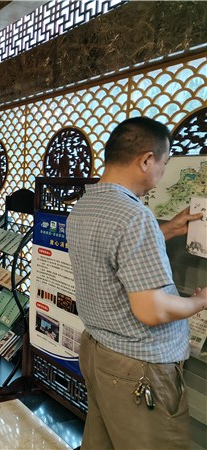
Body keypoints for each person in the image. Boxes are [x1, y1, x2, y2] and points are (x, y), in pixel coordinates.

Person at [66, 116, 207, 449]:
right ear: (146, 160)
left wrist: (167, 229)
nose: (162, 173)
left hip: (99, 352)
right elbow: (151, 310)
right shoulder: (133, 215)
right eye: (164, 163)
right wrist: (200, 301)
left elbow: (113, 253)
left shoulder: (86, 205)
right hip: (137, 367)